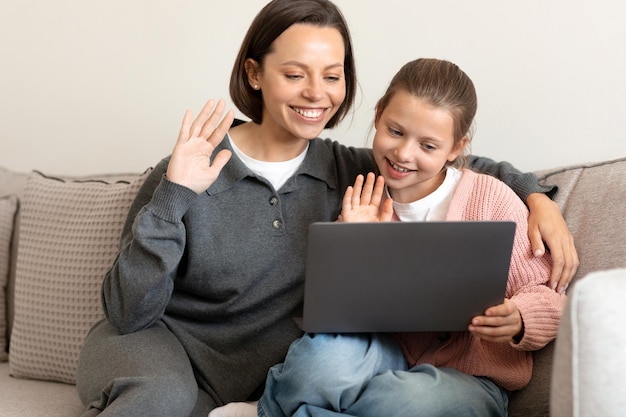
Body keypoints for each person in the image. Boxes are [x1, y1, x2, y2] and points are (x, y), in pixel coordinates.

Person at [75, 1, 576, 416]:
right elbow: (128, 311)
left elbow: (451, 163)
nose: (317, 93)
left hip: (268, 379)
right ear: (254, 73)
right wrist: (174, 194)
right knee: (161, 401)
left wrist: (536, 196)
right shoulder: (187, 167)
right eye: (294, 74)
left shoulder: (351, 169)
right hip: (162, 343)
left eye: (332, 75)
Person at [213, 58, 567, 417]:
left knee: (402, 402)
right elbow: (333, 311)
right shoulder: (364, 193)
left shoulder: (491, 198)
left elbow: (552, 298)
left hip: (470, 378)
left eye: (428, 146)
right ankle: (267, 409)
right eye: (395, 132)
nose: (403, 154)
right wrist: (352, 241)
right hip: (382, 350)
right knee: (319, 363)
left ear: (456, 148)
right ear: (379, 113)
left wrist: (520, 318)